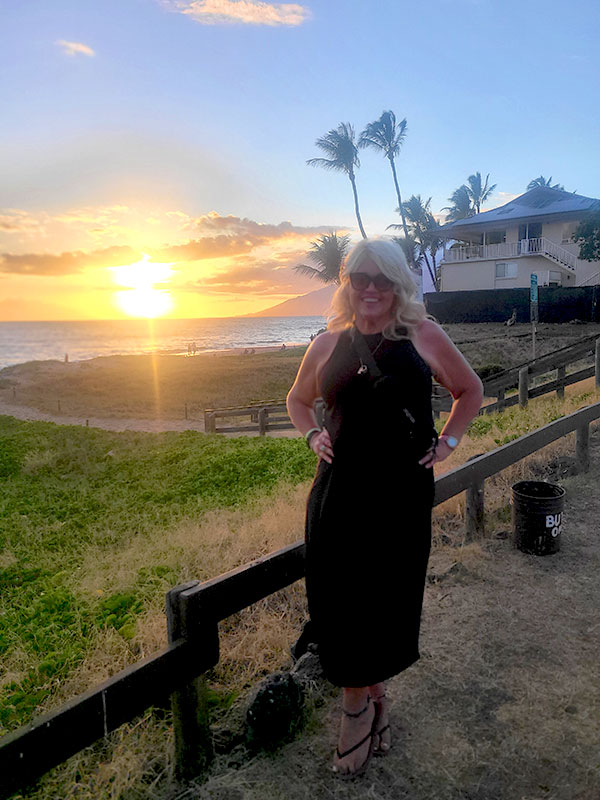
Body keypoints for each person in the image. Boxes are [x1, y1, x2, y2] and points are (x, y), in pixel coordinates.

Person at [286, 239, 483, 779]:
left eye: (383, 278)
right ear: (347, 283)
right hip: (339, 497)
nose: (370, 287)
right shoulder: (326, 344)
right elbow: (296, 400)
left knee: (386, 600)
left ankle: (370, 699)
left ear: (399, 283)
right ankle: (361, 704)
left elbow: (470, 391)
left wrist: (447, 445)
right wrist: (311, 436)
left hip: (399, 497)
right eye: (360, 277)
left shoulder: (423, 336)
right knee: (342, 601)